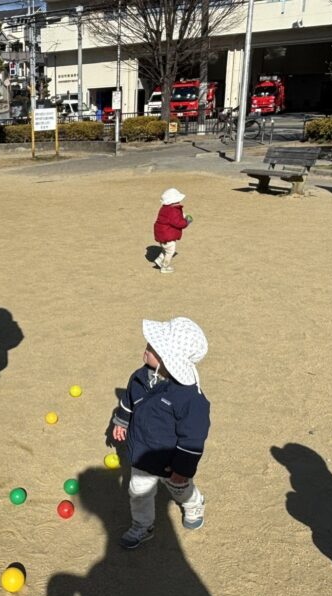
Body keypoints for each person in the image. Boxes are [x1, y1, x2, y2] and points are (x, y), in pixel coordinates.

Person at [111, 317, 210, 548]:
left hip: (169, 461)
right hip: (142, 453)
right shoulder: (140, 376)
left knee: (179, 489)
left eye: (152, 347)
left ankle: (194, 503)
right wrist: (121, 422)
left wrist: (182, 469)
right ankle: (143, 525)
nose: (146, 348)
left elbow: (192, 439)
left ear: (168, 359)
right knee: (138, 491)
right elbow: (129, 400)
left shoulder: (189, 398)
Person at [153, 188, 190, 274]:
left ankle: (159, 260)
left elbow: (175, 217)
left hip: (161, 233)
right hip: (167, 235)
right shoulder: (173, 210)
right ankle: (164, 267)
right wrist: (187, 221)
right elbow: (179, 223)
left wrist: (183, 216)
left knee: (166, 249)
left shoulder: (165, 208)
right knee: (170, 251)